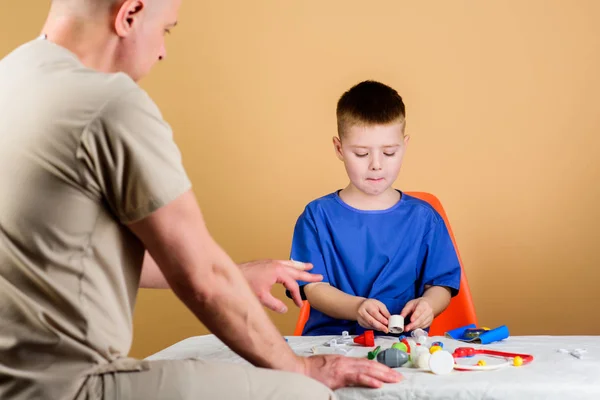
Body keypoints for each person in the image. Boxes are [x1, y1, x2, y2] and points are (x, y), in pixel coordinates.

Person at [0, 1, 403, 399]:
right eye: (165, 30)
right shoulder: (110, 103)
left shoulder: (12, 77)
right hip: (72, 388)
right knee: (307, 393)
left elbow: (67, 257)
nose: (162, 50)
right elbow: (203, 280)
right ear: (129, 14)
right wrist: (299, 369)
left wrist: (237, 274)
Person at [289, 80, 462, 336]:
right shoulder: (316, 217)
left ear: (405, 145)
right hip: (330, 346)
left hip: (403, 347)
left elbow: (441, 285)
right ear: (339, 149)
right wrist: (357, 307)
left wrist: (428, 305)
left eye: (390, 152)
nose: (376, 165)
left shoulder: (424, 218)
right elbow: (314, 289)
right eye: (361, 154)